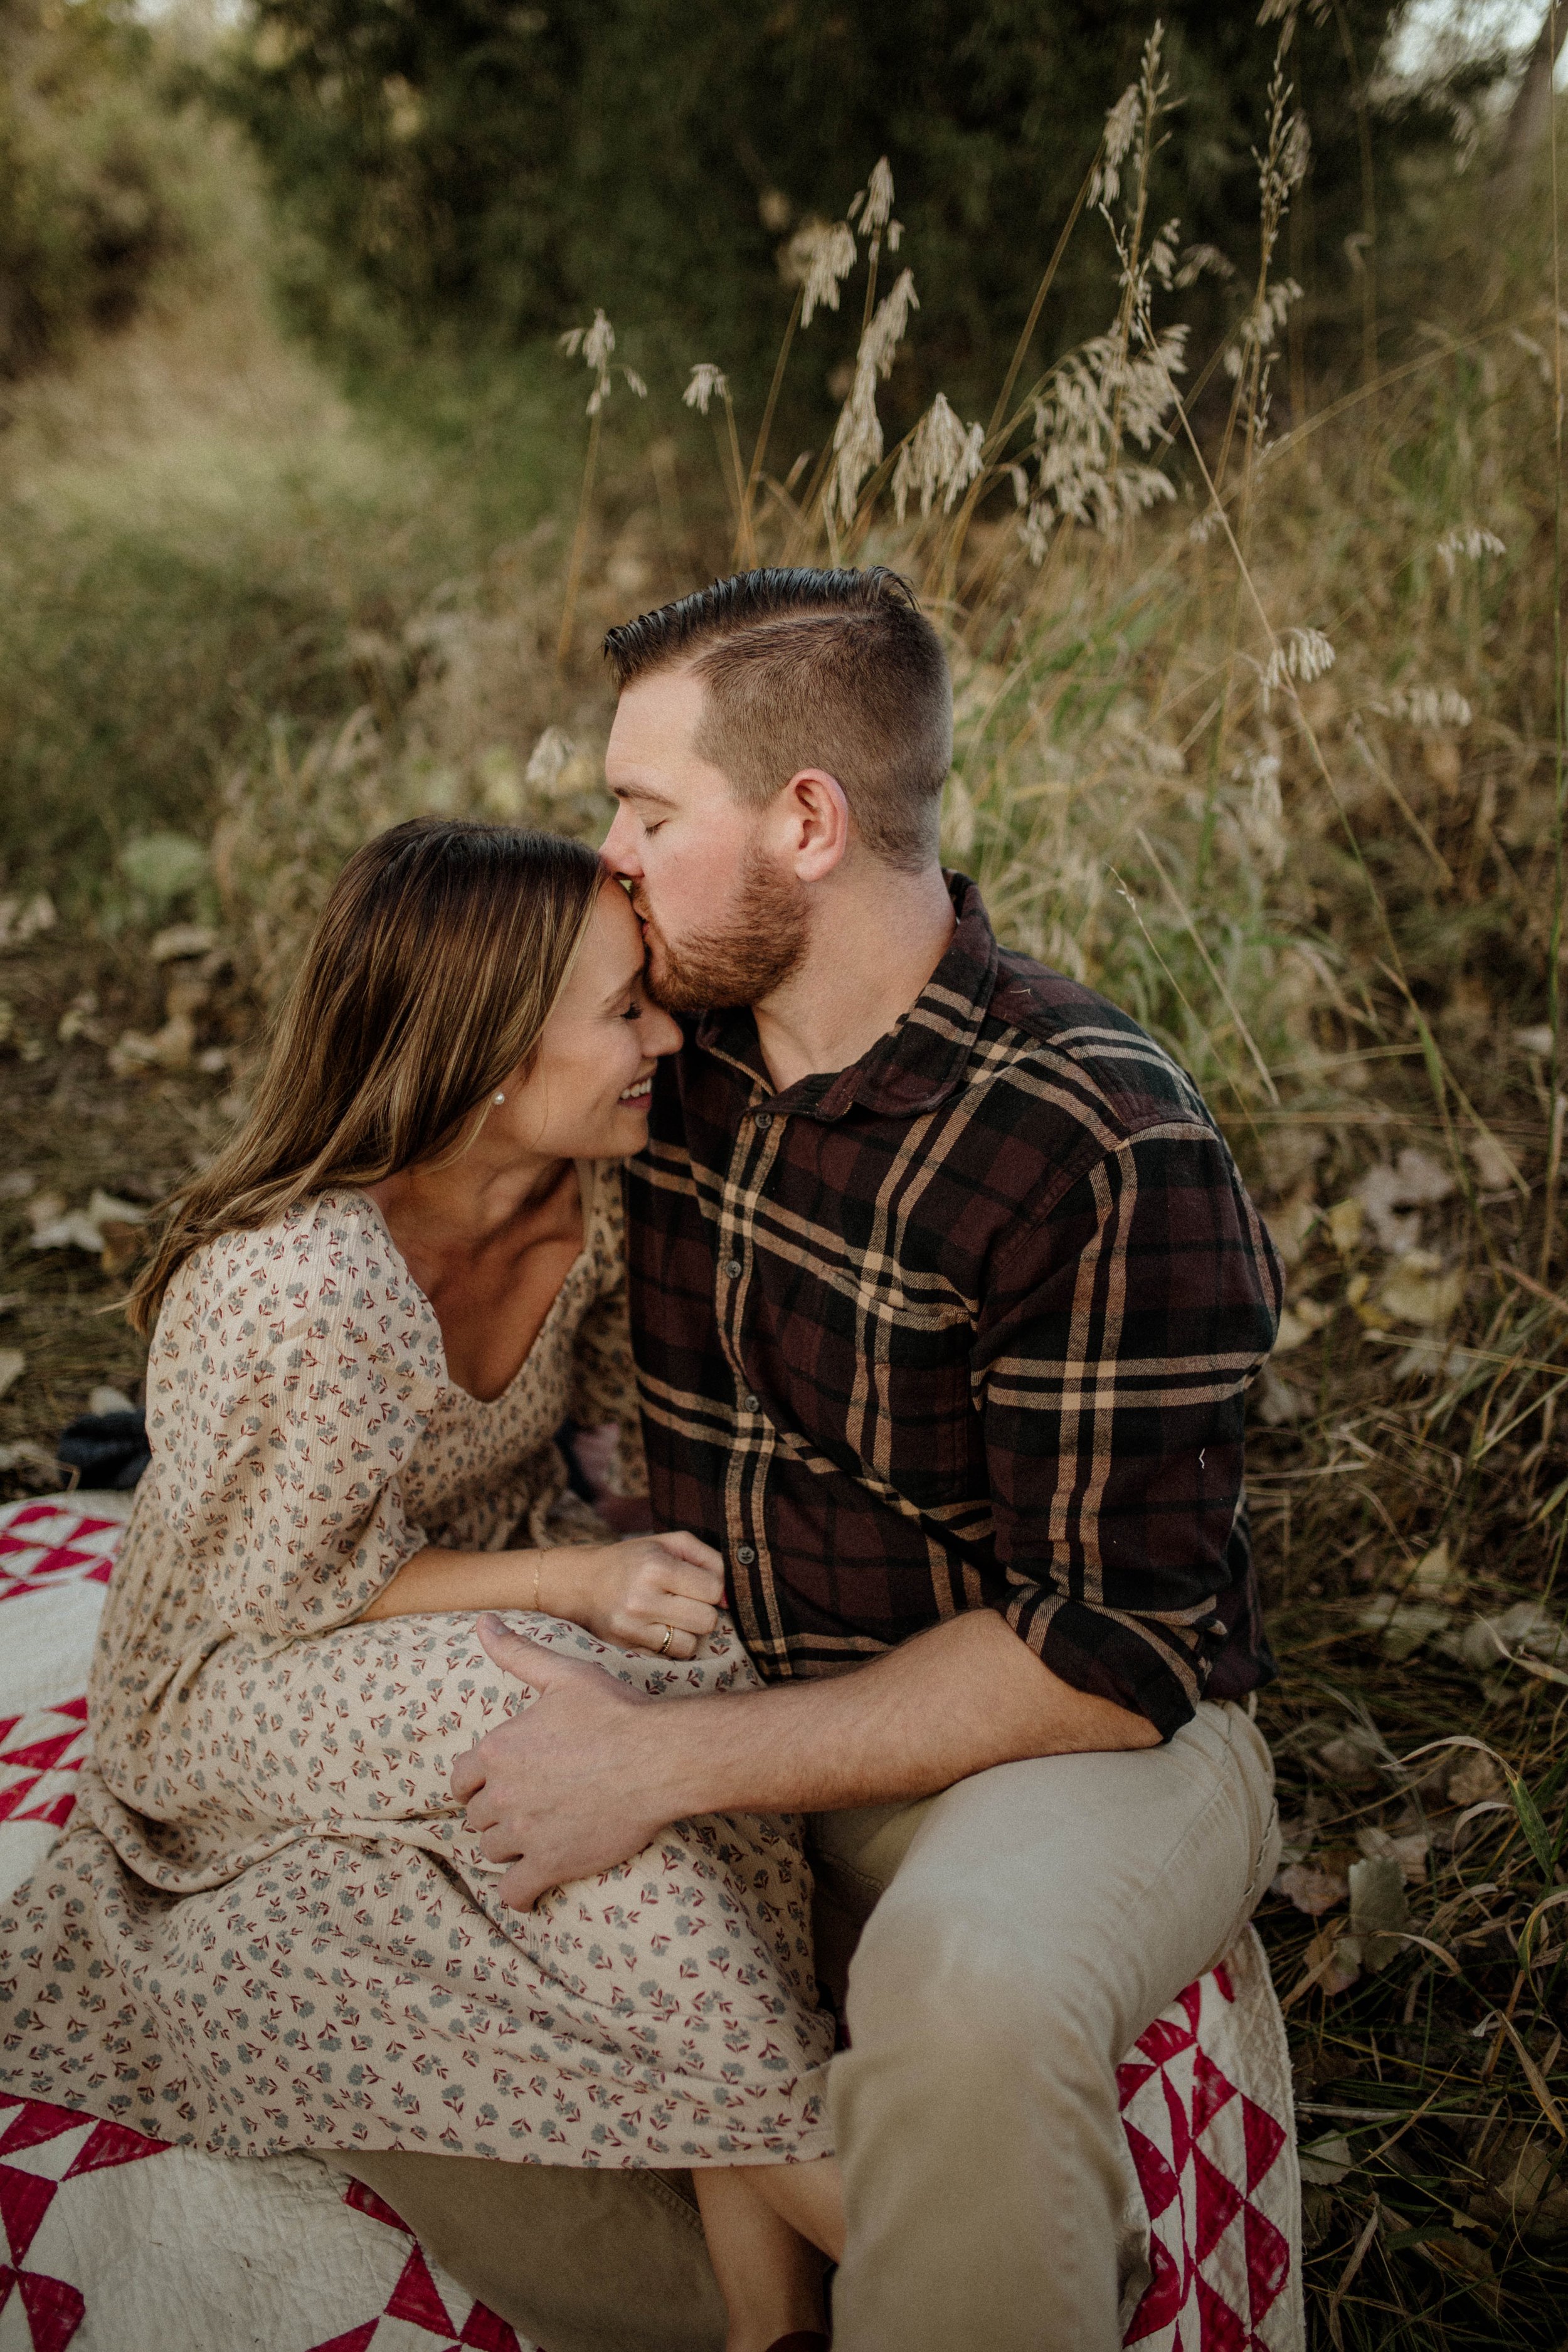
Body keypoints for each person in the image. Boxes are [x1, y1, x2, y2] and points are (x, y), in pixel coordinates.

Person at [437, 566, 1286, 2352]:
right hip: (749, 1686)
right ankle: (836, 2276)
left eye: (650, 812)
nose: (609, 858)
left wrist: (659, 1764)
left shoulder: (1098, 1137)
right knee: (326, 1903)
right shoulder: (667, 1064)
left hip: (1055, 1737)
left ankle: (953, 2254)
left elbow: (1106, 1651)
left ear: (807, 820)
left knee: (966, 1988)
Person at [0, 820, 845, 2352]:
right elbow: (299, 1594)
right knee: (530, 1708)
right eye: (626, 1011)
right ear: (487, 1055)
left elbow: (617, 1441)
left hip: (469, 1590)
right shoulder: (305, 1285)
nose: (666, 1036)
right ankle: (847, 2189)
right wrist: (579, 1581)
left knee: (679, 1721)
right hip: (241, 1668)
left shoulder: (592, 1206)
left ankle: (761, 2317)